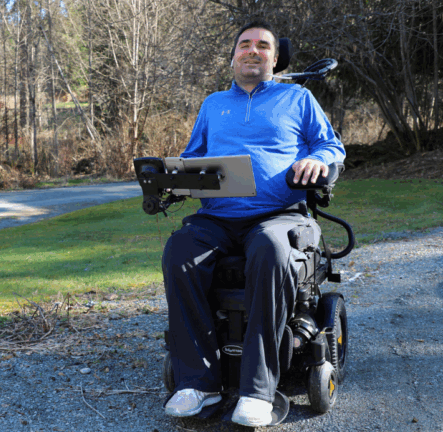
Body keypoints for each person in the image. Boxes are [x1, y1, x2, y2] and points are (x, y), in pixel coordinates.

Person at [162, 21, 345, 426]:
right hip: (217, 217)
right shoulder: (213, 105)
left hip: (278, 215)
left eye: (262, 46)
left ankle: (258, 391)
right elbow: (193, 157)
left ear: (274, 58)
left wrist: (319, 159)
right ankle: (198, 385)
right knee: (179, 251)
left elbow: (332, 145)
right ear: (233, 57)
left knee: (271, 250)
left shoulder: (297, 98)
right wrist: (173, 178)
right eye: (244, 45)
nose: (252, 51)